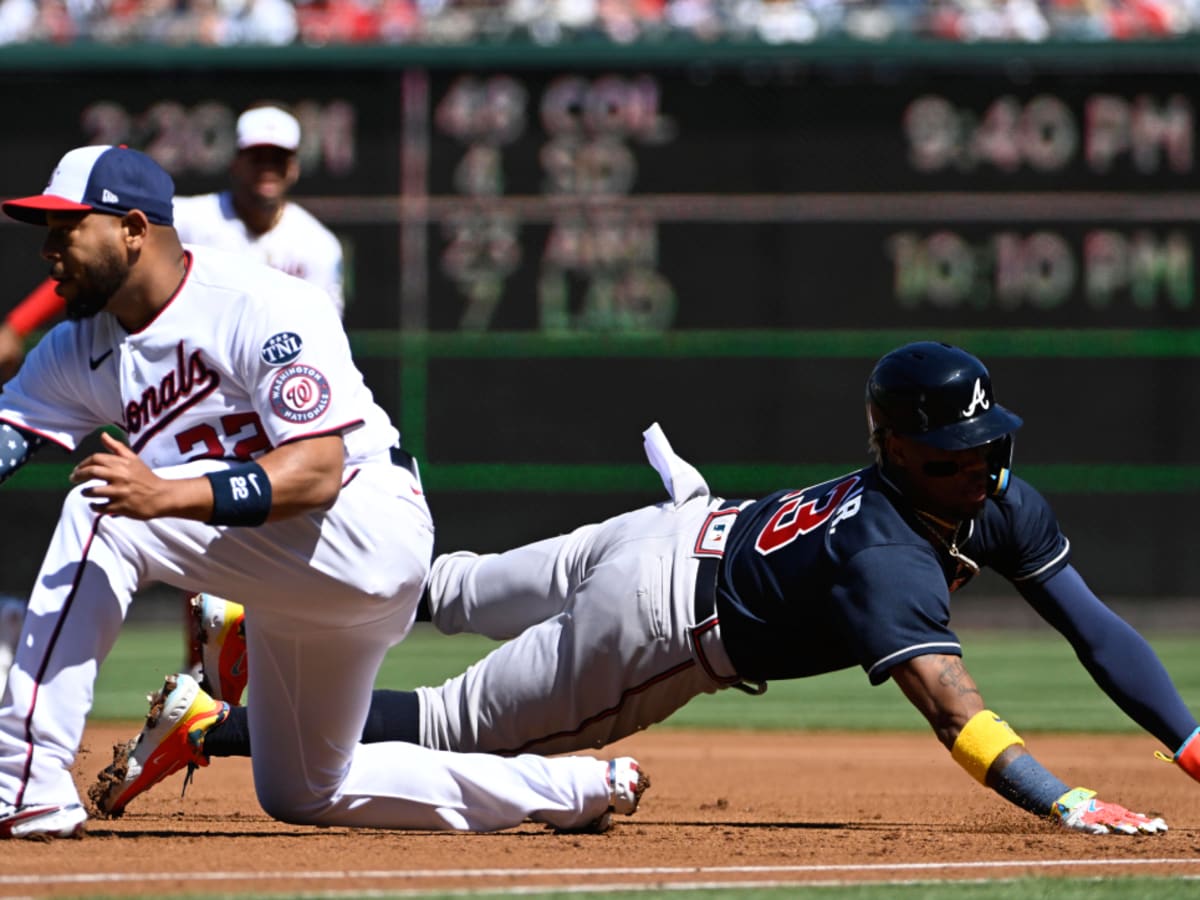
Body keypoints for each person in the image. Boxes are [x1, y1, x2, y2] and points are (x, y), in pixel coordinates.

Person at [98, 341, 1200, 835]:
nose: (989, 465)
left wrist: (1191, 744)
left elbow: (1092, 628)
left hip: (667, 530)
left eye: (991, 443)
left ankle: (252, 617)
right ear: (903, 452)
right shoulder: (890, 557)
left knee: (448, 583)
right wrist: (1063, 799)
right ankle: (216, 723)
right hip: (665, 621)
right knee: (452, 723)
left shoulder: (988, 503)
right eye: (963, 451)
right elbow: (954, 709)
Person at [0, 144, 648, 840]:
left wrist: (164, 496)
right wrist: (165, 498)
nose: (50, 248)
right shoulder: (76, 350)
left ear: (132, 228)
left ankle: (23, 781)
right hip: (288, 580)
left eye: (67, 227)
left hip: (367, 526)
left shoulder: (259, 301)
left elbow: (314, 471)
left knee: (107, 509)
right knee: (305, 787)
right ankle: (570, 788)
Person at [0, 103, 344, 381]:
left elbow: (324, 337)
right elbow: (89, 260)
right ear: (237, 163)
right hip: (181, 374)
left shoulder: (318, 245)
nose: (267, 169)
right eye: (257, 158)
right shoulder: (188, 217)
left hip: (267, 372)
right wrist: (17, 326)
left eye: (278, 159)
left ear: (295, 167)